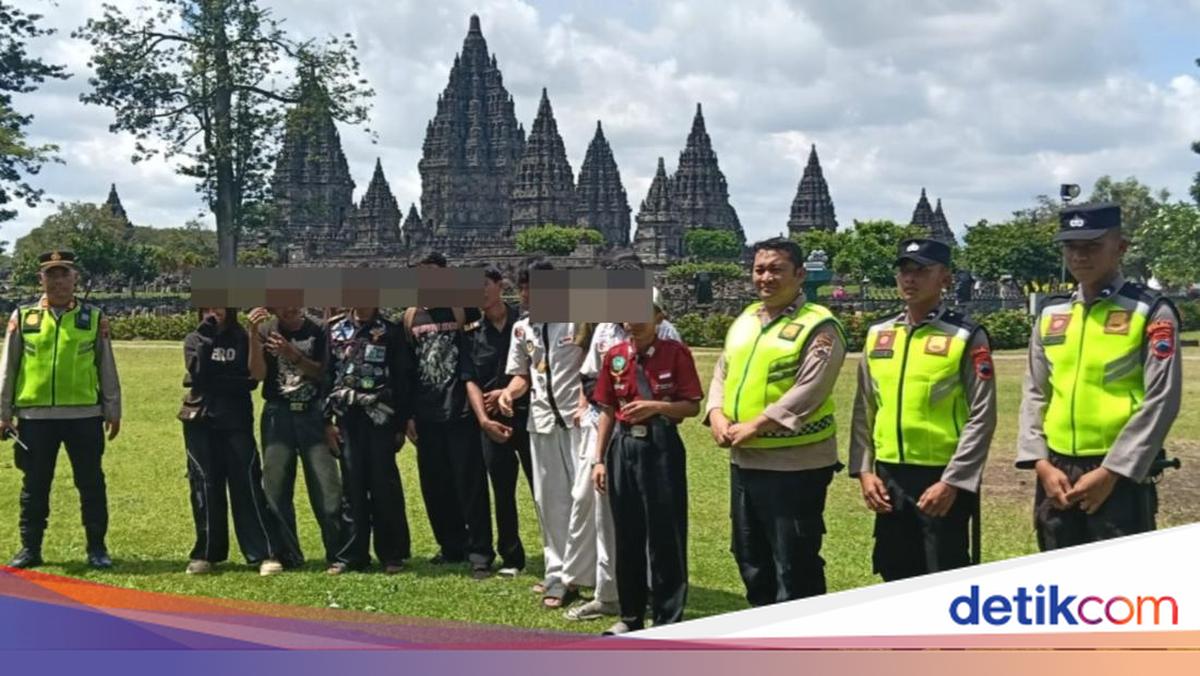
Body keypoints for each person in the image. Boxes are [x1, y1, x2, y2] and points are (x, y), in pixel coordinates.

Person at [1016, 203, 1182, 550]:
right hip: (1057, 469)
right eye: (1070, 246)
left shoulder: (1149, 310)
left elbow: (1162, 398)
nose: (1079, 256)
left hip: (1118, 469)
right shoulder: (1052, 312)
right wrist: (1041, 463)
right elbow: (1034, 391)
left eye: (1091, 246)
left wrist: (1113, 471)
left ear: (1120, 248)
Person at [705, 238, 847, 606]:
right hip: (745, 460)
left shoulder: (818, 325)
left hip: (794, 464)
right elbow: (723, 370)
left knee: (794, 561)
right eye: (759, 269)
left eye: (776, 270)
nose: (765, 277)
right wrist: (716, 412)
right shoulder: (747, 319)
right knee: (749, 555)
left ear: (800, 274)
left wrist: (756, 425)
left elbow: (810, 389)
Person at [849, 239, 996, 581]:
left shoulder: (965, 335)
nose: (910, 279)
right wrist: (864, 471)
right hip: (889, 476)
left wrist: (954, 481)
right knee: (894, 571)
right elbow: (864, 407)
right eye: (904, 270)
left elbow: (982, 415)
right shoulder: (879, 334)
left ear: (945, 277)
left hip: (941, 477)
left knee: (944, 570)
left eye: (921, 271)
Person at [562, 290, 683, 623]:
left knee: (659, 525)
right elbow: (594, 383)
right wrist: (598, 453)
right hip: (612, 433)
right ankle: (614, 598)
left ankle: (659, 602)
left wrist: (653, 407)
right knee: (611, 520)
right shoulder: (607, 335)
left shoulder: (668, 338)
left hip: (655, 438)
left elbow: (685, 398)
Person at [0, 250, 121, 569]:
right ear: (40, 279)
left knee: (91, 483)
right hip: (35, 418)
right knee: (34, 485)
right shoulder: (23, 317)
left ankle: (97, 548)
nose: (58, 281)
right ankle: (30, 548)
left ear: (75, 277)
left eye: (64, 273)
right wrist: (3, 413)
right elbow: (9, 367)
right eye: (50, 274)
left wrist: (113, 409)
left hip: (84, 416)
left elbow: (106, 365)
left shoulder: (92, 317)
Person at [590, 311, 702, 635]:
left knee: (666, 534)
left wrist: (656, 407)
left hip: (660, 444)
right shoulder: (615, 356)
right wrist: (599, 460)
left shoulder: (675, 353)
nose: (634, 321)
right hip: (623, 445)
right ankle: (630, 616)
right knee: (627, 534)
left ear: (659, 317)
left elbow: (692, 405)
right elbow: (607, 410)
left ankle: (667, 617)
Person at [497, 259, 586, 609]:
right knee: (550, 502)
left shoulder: (579, 321)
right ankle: (558, 574)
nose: (527, 294)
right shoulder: (523, 329)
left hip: (578, 422)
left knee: (584, 499)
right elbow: (522, 374)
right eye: (524, 288)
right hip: (542, 422)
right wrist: (508, 393)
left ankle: (589, 573)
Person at [178, 307, 288, 575]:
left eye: (219, 306)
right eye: (208, 306)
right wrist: (207, 335)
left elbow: (253, 377)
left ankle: (263, 553)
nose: (213, 311)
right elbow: (197, 371)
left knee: (247, 485)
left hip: (236, 419)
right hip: (201, 419)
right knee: (204, 486)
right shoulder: (194, 338)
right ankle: (206, 553)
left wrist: (251, 336)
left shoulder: (242, 337)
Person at [404, 252, 494, 579]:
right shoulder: (411, 316)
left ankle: (480, 552)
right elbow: (407, 368)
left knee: (470, 483)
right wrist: (408, 414)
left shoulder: (463, 308)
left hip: (461, 409)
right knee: (435, 484)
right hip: (426, 412)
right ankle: (451, 545)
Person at [250, 306, 344, 571]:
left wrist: (292, 354)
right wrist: (252, 335)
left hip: (314, 413)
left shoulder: (319, 329)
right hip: (277, 414)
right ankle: (286, 554)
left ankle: (338, 554)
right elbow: (257, 375)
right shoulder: (266, 330)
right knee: (276, 489)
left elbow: (325, 373)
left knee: (327, 489)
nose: (288, 308)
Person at [324, 306, 412, 574]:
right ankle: (352, 555)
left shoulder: (391, 330)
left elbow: (402, 378)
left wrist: (400, 424)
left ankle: (391, 554)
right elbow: (326, 376)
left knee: (384, 486)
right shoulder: (334, 329)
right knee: (352, 486)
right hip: (347, 418)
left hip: (381, 418)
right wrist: (326, 421)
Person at [463, 266, 534, 577]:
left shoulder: (526, 323)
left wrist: (508, 393)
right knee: (502, 490)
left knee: (544, 489)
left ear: (500, 285)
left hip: (529, 416)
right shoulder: (471, 332)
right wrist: (483, 419)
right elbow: (469, 379)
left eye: (484, 284)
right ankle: (511, 556)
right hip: (493, 423)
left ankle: (560, 555)